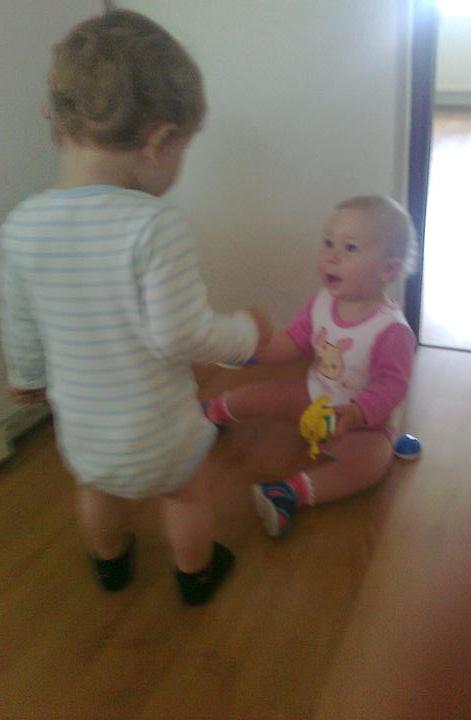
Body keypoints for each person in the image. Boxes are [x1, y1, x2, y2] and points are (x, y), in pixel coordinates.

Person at [0, 10, 271, 604]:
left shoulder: (21, 225)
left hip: (82, 431)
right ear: (157, 142)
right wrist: (246, 334)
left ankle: (111, 566)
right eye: (182, 151)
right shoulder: (154, 225)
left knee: (95, 489)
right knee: (186, 493)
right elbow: (184, 335)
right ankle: (195, 575)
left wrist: (27, 378)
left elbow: (20, 320)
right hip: (158, 433)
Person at [205, 196, 417, 537]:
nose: (332, 256)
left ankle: (290, 492)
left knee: (373, 462)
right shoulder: (322, 300)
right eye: (328, 242)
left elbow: (391, 387)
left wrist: (357, 413)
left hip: (361, 426)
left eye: (350, 248)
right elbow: (294, 340)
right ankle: (213, 411)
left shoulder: (391, 331)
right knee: (267, 394)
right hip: (313, 395)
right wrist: (254, 352)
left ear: (387, 270)